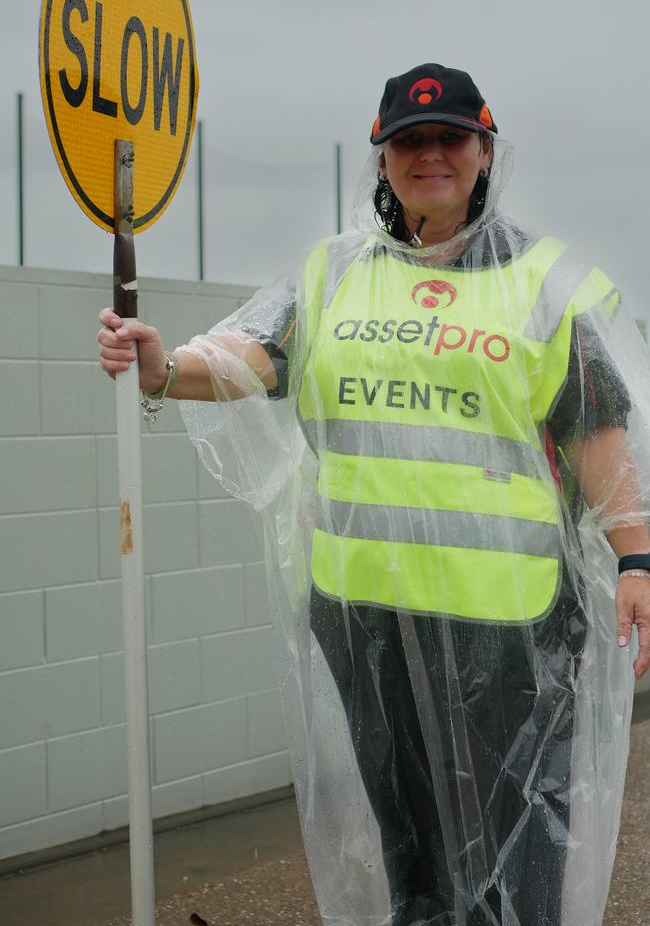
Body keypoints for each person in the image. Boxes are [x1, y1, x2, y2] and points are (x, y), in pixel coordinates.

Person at [98, 63, 650, 926]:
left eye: (450, 138)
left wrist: (635, 558)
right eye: (408, 141)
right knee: (410, 845)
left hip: (512, 627)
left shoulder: (544, 284)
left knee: (522, 846)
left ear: (484, 152)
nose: (429, 154)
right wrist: (165, 368)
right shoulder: (333, 274)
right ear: (382, 161)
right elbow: (254, 360)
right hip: (366, 614)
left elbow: (597, 432)